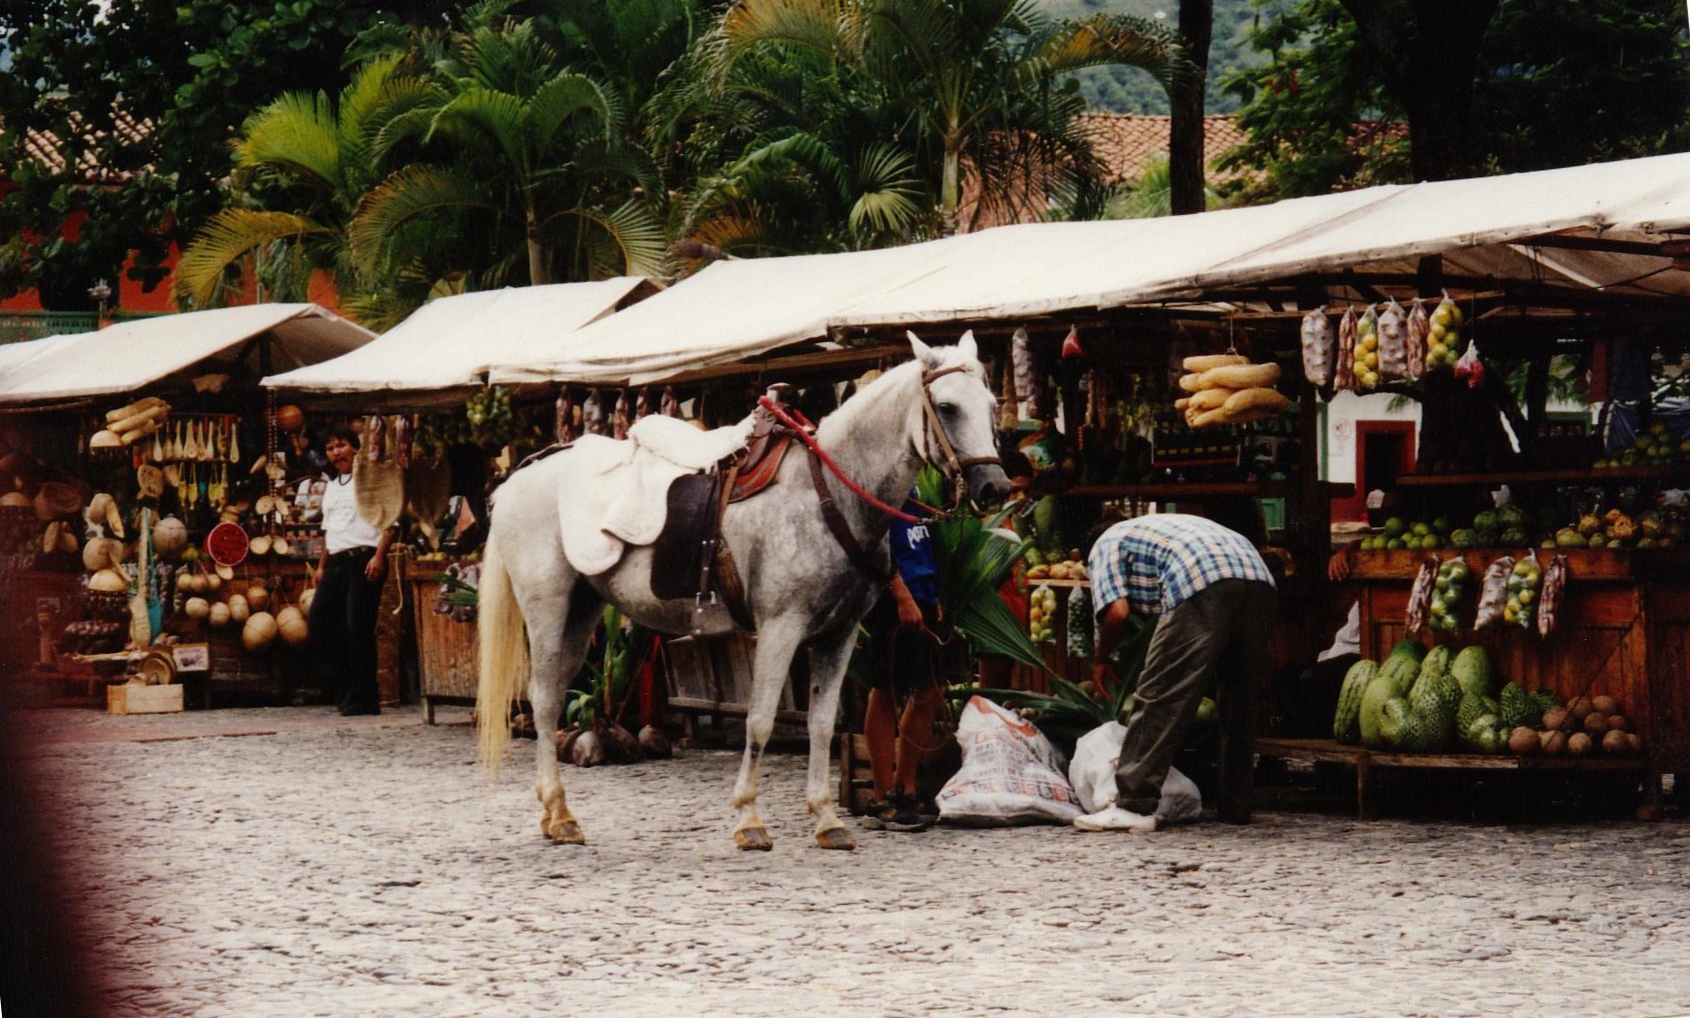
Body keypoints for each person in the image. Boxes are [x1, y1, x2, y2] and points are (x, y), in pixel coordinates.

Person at [1075, 512, 1277, 833]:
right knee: (1239, 700)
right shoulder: (1153, 530)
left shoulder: (1105, 544)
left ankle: (1133, 804)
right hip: (1258, 577)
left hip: (1202, 577)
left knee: (1160, 695)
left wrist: (1101, 658)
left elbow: (1118, 611)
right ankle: (1235, 805)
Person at [859, 501, 945, 833]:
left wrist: (930, 593)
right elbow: (875, 546)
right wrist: (903, 597)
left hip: (922, 593)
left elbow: (919, 542)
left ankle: (905, 787)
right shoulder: (882, 489)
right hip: (891, 602)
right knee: (886, 691)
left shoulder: (917, 489)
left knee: (929, 690)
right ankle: (881, 795)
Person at [310, 424, 396, 716]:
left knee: (357, 628)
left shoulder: (371, 480)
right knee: (320, 623)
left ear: (356, 448)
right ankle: (346, 689)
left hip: (365, 559)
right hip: (336, 562)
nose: (337, 453)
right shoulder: (332, 487)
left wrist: (380, 556)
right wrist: (322, 565)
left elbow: (391, 521)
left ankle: (365, 698)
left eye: (342, 445)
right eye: (331, 448)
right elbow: (328, 529)